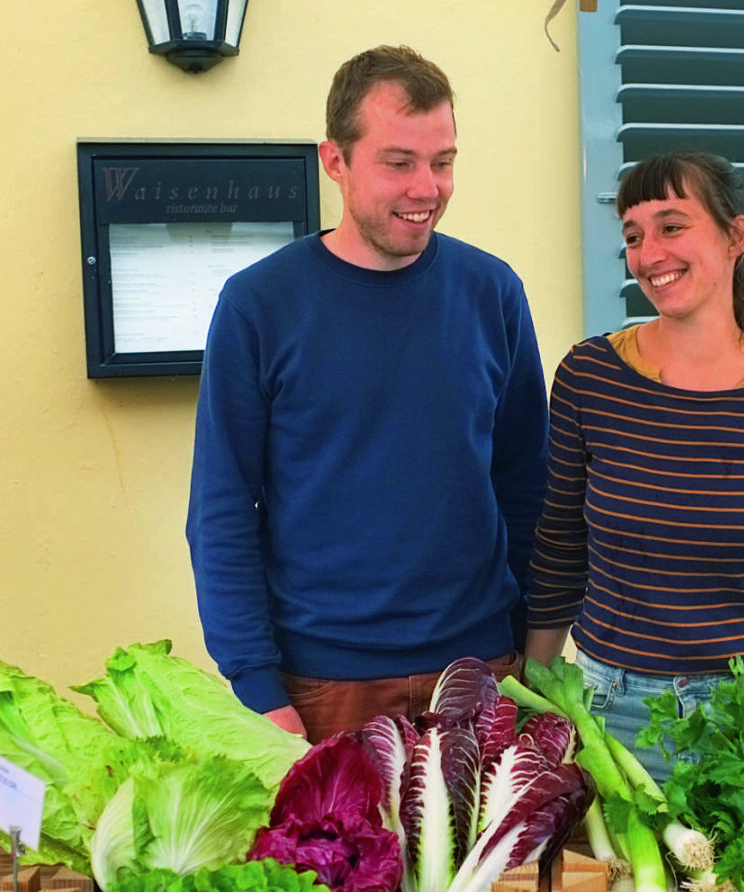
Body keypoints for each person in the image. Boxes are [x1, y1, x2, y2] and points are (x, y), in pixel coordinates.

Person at [186, 45, 548, 742]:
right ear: (335, 161)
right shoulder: (260, 304)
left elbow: (527, 484)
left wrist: (534, 656)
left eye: (442, 161)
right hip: (324, 688)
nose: (427, 187)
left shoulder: (492, 293)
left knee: (488, 858)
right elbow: (222, 509)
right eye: (398, 161)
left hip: (481, 675)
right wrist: (258, 687)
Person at [524, 150, 744, 781]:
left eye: (672, 226)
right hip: (610, 714)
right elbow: (560, 546)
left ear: (737, 236)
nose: (650, 253)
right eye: (633, 235)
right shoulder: (589, 376)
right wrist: (534, 691)